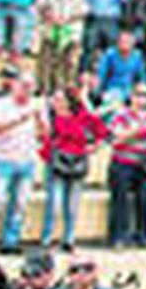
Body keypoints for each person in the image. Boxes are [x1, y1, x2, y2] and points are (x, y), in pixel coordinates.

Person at [0, 69, 40, 254]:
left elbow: (44, 133)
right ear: (14, 85)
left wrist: (40, 122)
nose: (26, 91)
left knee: (20, 203)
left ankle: (10, 241)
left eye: (30, 87)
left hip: (27, 159)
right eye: (23, 86)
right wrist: (19, 120)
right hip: (2, 158)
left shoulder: (36, 106)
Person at [41, 88, 109, 252]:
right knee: (54, 203)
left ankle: (68, 239)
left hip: (77, 160)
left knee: (72, 204)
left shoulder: (83, 117)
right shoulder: (50, 117)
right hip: (57, 160)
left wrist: (94, 146)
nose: (55, 103)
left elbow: (102, 132)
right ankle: (47, 238)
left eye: (59, 99)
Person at [108, 85, 146, 248]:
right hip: (123, 162)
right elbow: (118, 136)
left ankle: (142, 236)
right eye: (138, 95)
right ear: (131, 96)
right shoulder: (121, 115)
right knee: (120, 201)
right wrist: (140, 129)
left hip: (145, 162)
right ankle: (118, 237)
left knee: (144, 201)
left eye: (145, 95)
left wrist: (136, 132)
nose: (141, 99)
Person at [39, 0, 88, 97]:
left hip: (72, 30)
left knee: (70, 62)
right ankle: (46, 88)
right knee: (48, 60)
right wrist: (52, 17)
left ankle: (67, 89)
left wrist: (68, 19)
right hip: (51, 29)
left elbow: (84, 10)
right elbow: (41, 5)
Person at [80, 0, 128, 76]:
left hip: (111, 20)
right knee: (89, 48)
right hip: (95, 18)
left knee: (112, 49)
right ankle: (85, 74)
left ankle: (110, 74)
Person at [96, 29, 146, 108]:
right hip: (112, 89)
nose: (123, 44)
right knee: (113, 97)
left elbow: (141, 77)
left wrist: (140, 92)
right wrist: (99, 91)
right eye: (121, 41)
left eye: (127, 42)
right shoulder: (110, 55)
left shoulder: (137, 56)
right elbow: (101, 74)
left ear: (132, 44)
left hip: (129, 90)